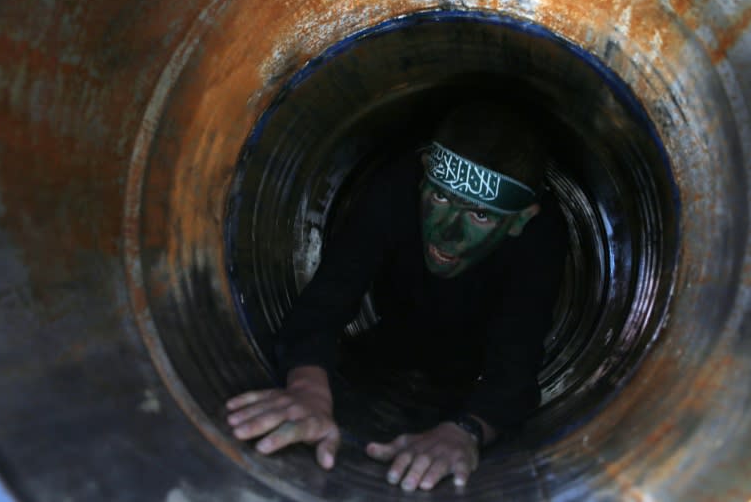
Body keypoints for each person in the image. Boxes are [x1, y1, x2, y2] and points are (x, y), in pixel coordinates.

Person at [225, 100, 568, 492]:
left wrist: (465, 430)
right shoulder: (396, 186)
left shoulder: (541, 236)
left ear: (520, 220)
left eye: (480, 216)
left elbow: (515, 365)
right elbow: (329, 295)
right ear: (424, 177)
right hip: (393, 332)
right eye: (439, 199)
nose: (447, 233)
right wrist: (307, 390)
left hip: (471, 362)